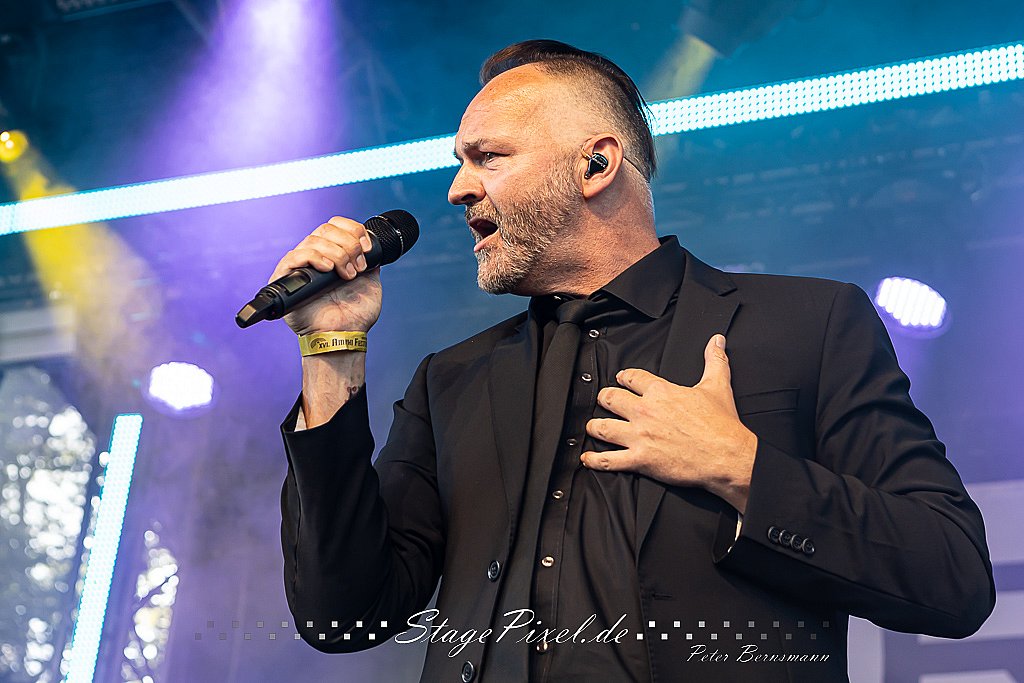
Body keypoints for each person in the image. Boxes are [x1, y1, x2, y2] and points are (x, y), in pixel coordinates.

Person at [273, 40, 994, 683]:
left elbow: (953, 574)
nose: (458, 188)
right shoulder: (453, 379)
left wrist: (741, 467)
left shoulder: (805, 324)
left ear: (596, 164)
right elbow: (344, 617)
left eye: (488, 157)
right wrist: (330, 350)